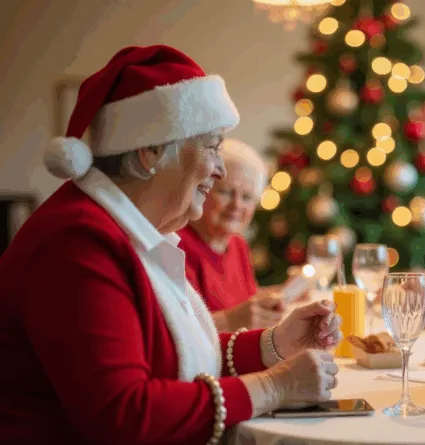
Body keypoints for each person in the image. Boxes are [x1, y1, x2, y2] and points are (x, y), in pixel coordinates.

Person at [0, 45, 342, 445]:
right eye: (211, 147)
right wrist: (273, 388)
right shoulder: (78, 242)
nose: (218, 170)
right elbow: (123, 414)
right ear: (150, 152)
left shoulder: (130, 231)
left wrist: (274, 343)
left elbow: (173, 357)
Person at [179, 138, 291, 332]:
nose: (237, 205)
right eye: (226, 192)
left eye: (247, 197)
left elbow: (245, 301)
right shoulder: (177, 244)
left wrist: (285, 291)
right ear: (202, 190)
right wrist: (229, 321)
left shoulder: (237, 244)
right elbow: (179, 331)